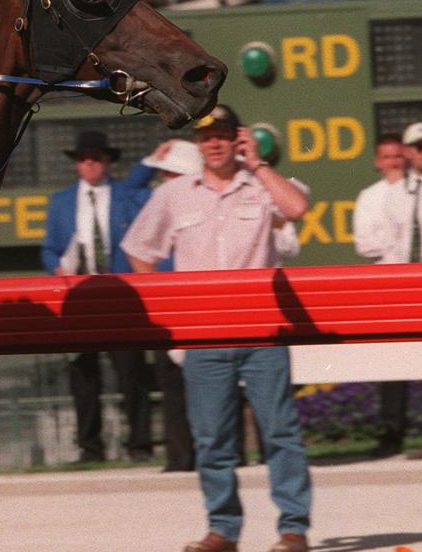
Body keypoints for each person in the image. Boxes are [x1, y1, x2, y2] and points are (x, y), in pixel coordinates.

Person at [122, 104, 312, 552]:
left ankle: (293, 528)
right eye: (207, 136)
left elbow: (297, 207)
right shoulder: (174, 194)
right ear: (198, 142)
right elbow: (138, 251)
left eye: (224, 135)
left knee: (281, 432)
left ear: (237, 138)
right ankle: (223, 529)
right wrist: (171, 308)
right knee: (211, 439)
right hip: (204, 334)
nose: (215, 143)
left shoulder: (260, 186)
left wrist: (259, 164)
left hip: (264, 331)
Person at [41, 130, 156, 463]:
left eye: (95, 157)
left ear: (107, 161)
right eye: (82, 158)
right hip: (79, 296)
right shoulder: (61, 202)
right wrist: (57, 270)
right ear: (76, 164)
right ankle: (90, 448)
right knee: (83, 375)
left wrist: (152, 161)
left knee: (131, 372)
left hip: (121, 294)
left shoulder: (126, 195)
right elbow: (50, 249)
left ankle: (140, 444)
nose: (89, 164)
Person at [355, 123, 422, 459]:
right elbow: (376, 244)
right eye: (420, 147)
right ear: (407, 152)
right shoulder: (387, 194)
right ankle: (391, 436)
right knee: (394, 365)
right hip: (399, 287)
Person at [140, 139, 203, 473]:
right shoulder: (156, 201)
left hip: (198, 306)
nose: (163, 178)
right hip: (167, 308)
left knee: (214, 385)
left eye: (170, 173)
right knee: (171, 386)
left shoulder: (202, 201)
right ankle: (180, 458)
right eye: (164, 173)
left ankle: (227, 453)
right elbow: (130, 188)